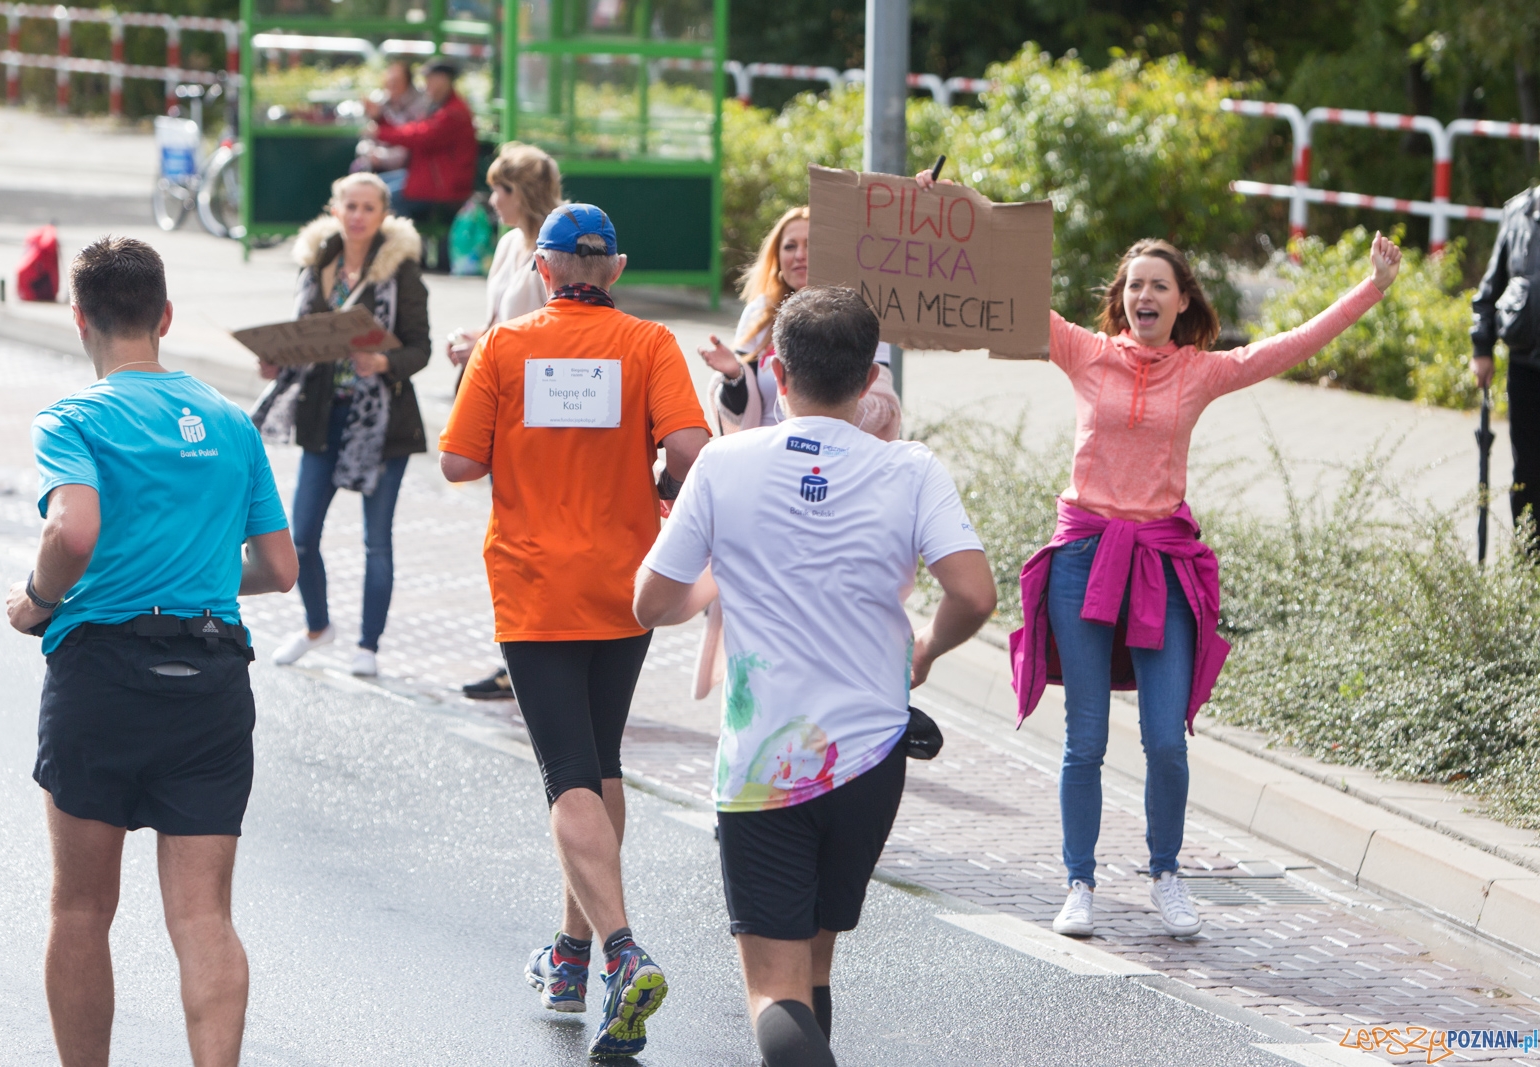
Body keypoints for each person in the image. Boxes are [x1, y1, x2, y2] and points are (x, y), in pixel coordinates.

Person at [970, 171, 1403, 941]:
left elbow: (1290, 345)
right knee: (1086, 738)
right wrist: (957, 209)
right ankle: (1079, 881)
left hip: (1161, 566)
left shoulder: (1201, 371)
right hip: (1083, 557)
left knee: (1167, 737)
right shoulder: (1080, 351)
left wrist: (1371, 288)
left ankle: (1166, 871)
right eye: (1133, 284)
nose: (1144, 295)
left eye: (1158, 286)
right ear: (1122, 298)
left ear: (1180, 301)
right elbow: (1001, 284)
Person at [633, 286, 997, 1067]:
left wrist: (718, 580)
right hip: (870, 758)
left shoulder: (726, 463)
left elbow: (650, 601)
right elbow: (975, 593)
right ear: (871, 378)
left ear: (776, 369)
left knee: (774, 991)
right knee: (815, 963)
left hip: (765, 759)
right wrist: (925, 647)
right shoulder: (910, 469)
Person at [4, 236, 297, 1067]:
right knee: (203, 916)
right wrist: (200, 571)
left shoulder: (76, 419)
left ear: (79, 319)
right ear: (165, 317)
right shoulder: (233, 424)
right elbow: (279, 568)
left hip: (100, 673)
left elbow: (73, 529)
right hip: (210, 678)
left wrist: (38, 599)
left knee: (82, 910)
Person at [438, 204, 710, 1058]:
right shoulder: (649, 343)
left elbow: (457, 462)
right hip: (625, 584)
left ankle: (622, 953)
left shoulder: (508, 345)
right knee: (599, 760)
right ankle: (570, 955)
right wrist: (657, 476)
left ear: (545, 270)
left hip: (535, 586)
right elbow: (694, 448)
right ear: (614, 269)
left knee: (565, 777)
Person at [255, 172, 431, 677]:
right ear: (334, 210)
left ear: (383, 214)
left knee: (377, 540)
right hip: (321, 415)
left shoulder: (402, 272)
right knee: (301, 536)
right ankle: (317, 626)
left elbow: (419, 347)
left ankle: (368, 645)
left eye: (368, 207)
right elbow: (303, 338)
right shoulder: (316, 266)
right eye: (349, 206)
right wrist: (276, 362)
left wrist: (383, 363)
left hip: (383, 424)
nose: (357, 215)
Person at [446, 142, 564, 701]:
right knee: (510, 534)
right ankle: (517, 653)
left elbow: (551, 330)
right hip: (500, 395)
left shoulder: (553, 250)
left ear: (525, 194)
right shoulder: (508, 244)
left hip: (535, 409)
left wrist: (482, 344)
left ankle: (537, 653)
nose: (492, 200)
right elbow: (500, 322)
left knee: (532, 533)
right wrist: (473, 341)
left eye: (501, 189)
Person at [698, 207, 902, 441]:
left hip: (839, 454)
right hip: (768, 455)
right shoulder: (759, 313)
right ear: (777, 257)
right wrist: (734, 376)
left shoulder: (861, 316)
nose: (799, 255)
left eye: (810, 244)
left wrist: (835, 388)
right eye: (790, 246)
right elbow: (738, 416)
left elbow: (883, 409)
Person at [1471, 184, 1540, 539]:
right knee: (1527, 473)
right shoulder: (1518, 213)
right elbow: (1488, 292)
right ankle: (1528, 567)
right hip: (1526, 368)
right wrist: (1482, 349)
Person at [366, 56, 478, 270]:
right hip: (426, 178)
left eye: (431, 79)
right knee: (376, 187)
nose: (427, 85)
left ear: (444, 80)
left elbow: (420, 135)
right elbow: (415, 132)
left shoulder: (453, 112)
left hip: (443, 186)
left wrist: (381, 129)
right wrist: (381, 120)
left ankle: (409, 256)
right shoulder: (439, 106)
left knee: (387, 197)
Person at [352, 59, 429, 204]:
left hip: (410, 171)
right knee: (357, 178)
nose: (391, 86)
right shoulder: (380, 100)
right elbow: (367, 137)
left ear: (407, 83)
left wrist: (380, 157)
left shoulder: (420, 106)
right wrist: (370, 154)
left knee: (377, 197)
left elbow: (405, 145)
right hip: (379, 165)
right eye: (388, 81)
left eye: (396, 82)